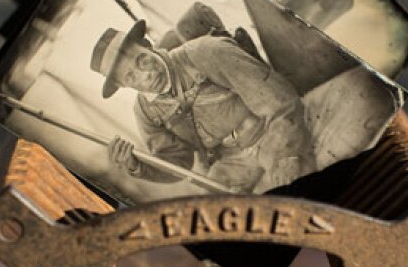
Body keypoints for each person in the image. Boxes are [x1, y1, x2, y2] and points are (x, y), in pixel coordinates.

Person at [90, 17, 315, 193]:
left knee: (302, 189)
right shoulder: (145, 111)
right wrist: (136, 165)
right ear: (123, 85)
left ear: (147, 45)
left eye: (142, 60)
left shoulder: (207, 52)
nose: (146, 75)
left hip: (270, 134)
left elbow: (279, 100)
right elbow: (178, 163)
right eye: (131, 77)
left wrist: (287, 155)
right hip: (229, 162)